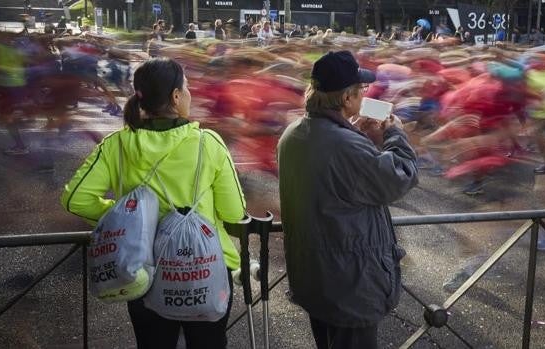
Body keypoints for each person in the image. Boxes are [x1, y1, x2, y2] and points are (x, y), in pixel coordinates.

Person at [61, 57, 246, 349]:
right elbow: (235, 214)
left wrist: (127, 217)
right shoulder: (207, 143)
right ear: (175, 96)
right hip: (207, 268)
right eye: (186, 88)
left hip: (144, 272)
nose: (189, 93)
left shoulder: (116, 145)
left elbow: (75, 200)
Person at [277, 50, 418, 349]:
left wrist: (356, 132)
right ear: (346, 99)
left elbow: (335, 179)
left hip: (314, 276)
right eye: (361, 90)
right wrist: (395, 135)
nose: (365, 94)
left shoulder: (292, 134)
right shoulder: (345, 145)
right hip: (350, 284)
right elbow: (400, 176)